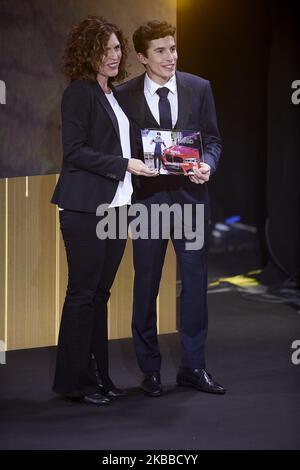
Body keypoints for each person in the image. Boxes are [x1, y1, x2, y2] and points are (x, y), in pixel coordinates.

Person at [116, 20, 226, 396]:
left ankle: (194, 367)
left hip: (192, 202)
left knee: (194, 287)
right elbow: (117, 149)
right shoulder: (123, 94)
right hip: (147, 203)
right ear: (142, 57)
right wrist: (131, 163)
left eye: (173, 49)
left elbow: (213, 140)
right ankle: (150, 371)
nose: (170, 57)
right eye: (160, 51)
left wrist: (207, 165)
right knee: (145, 286)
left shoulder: (199, 87)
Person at [51, 16, 156, 406]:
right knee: (82, 294)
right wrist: (124, 164)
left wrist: (172, 162)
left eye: (117, 48)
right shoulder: (78, 93)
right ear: (87, 53)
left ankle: (100, 378)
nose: (114, 56)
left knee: (100, 294)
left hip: (117, 207)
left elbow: (127, 147)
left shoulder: (111, 93)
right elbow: (75, 152)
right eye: (106, 49)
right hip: (84, 209)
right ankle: (73, 382)